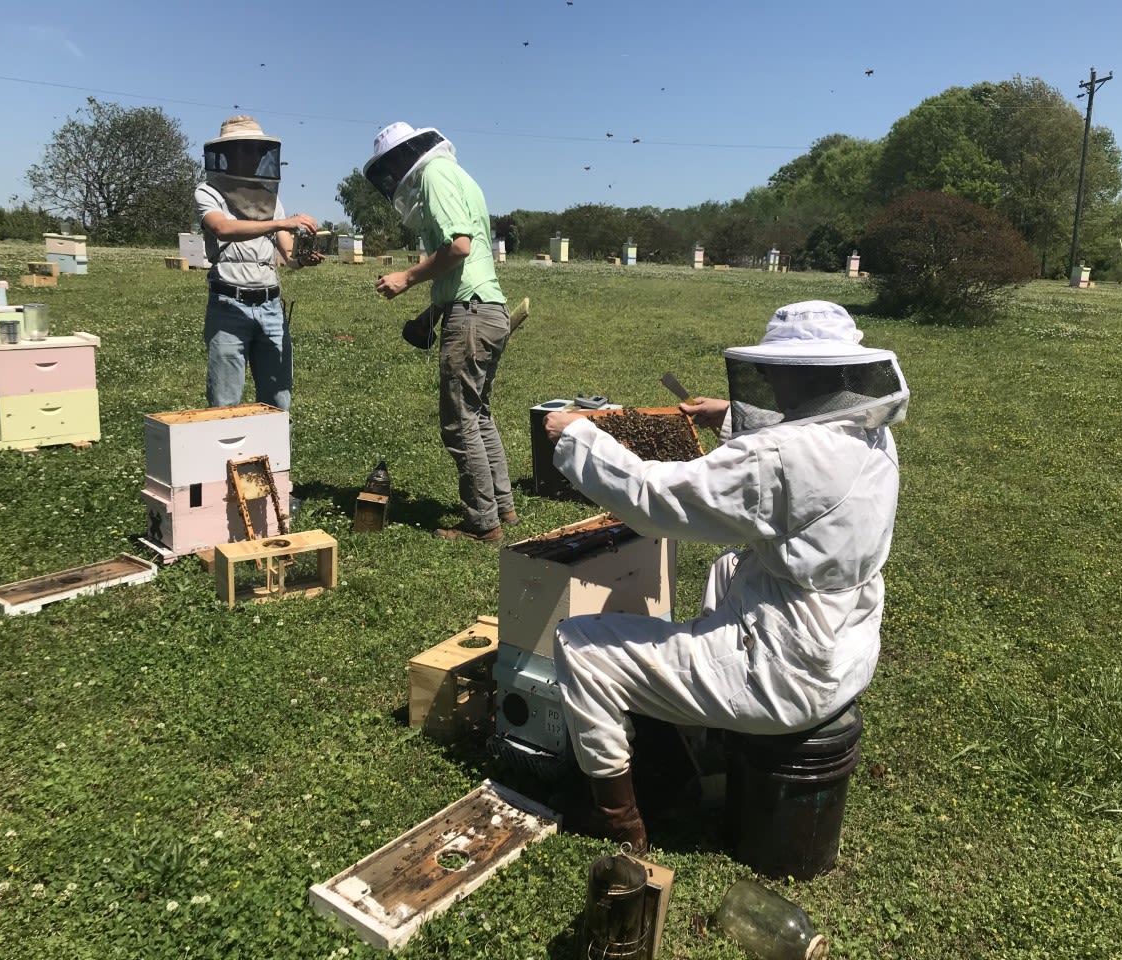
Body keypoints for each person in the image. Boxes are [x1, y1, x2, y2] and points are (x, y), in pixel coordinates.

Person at [542, 300, 910, 852]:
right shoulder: (873, 434)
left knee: (580, 646)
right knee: (727, 567)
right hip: (846, 643)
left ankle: (621, 824)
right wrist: (732, 419)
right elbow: (806, 451)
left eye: (770, 372)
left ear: (792, 374)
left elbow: (655, 498)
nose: (763, 380)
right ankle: (711, 749)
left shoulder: (782, 457)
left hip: (786, 674)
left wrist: (579, 436)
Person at [364, 122, 517, 542]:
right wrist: (430, 313)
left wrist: (406, 278)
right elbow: (467, 264)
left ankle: (482, 524)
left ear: (400, 159)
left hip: (471, 316)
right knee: (479, 413)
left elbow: (458, 248)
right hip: (487, 309)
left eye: (392, 166)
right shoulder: (457, 175)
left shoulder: (433, 176)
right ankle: (503, 507)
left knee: (459, 423)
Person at [197, 115, 323, 410]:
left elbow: (289, 258)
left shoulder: (270, 200)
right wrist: (281, 222)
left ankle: (276, 458)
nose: (252, 155)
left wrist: (304, 259)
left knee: (279, 401)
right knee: (224, 403)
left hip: (271, 308)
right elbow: (222, 229)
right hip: (229, 305)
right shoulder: (208, 192)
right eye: (245, 148)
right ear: (229, 154)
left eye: (256, 149)